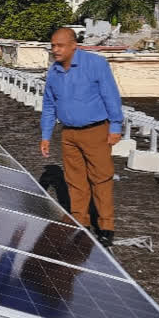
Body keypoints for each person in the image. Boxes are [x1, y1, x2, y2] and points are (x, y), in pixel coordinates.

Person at [40, 28, 123, 248]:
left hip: (96, 130)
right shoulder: (54, 71)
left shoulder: (95, 64)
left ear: (73, 45)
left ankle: (106, 227)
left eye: (60, 45)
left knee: (101, 179)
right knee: (74, 180)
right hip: (69, 133)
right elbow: (49, 104)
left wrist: (115, 127)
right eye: (53, 46)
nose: (55, 50)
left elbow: (111, 95)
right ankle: (81, 222)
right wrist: (46, 135)